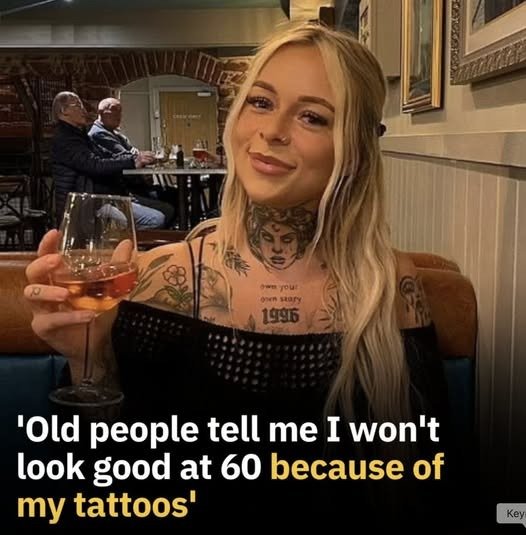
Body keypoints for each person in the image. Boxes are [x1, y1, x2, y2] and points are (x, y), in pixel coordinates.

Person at [25, 23, 462, 532]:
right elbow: (100, 486)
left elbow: (428, 487)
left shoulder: (389, 286)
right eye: (260, 102)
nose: (272, 130)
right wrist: (89, 360)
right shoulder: (159, 280)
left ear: (358, 149)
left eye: (313, 116)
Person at [51, 91, 172, 229]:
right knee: (156, 219)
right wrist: (133, 162)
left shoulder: (80, 135)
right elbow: (94, 165)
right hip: (86, 204)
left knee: (165, 208)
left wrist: (134, 158)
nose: (84, 110)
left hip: (102, 197)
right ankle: (122, 241)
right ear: (64, 111)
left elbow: (107, 156)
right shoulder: (66, 139)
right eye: (78, 106)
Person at [89, 98, 174, 217]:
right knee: (169, 206)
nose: (118, 114)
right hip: (124, 190)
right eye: (114, 109)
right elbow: (129, 157)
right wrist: (145, 158)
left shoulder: (116, 134)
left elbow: (135, 153)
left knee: (174, 194)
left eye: (120, 111)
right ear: (100, 112)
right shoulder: (99, 133)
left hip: (134, 186)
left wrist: (151, 158)